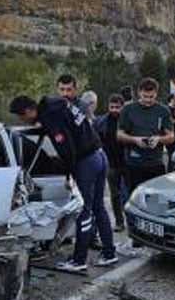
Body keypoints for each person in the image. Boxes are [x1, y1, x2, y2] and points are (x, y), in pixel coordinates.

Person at [9, 93, 116, 272]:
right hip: (99, 155)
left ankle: (79, 260)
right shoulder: (57, 105)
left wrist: (69, 174)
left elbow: (67, 148)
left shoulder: (50, 117)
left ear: (29, 111)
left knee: (83, 209)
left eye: (21, 116)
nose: (22, 120)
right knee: (98, 207)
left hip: (85, 162)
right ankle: (109, 253)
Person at [117, 77, 174, 193]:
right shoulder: (128, 110)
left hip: (155, 163)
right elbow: (119, 135)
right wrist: (135, 140)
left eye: (151, 97)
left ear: (156, 94)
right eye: (145, 96)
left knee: (158, 200)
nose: (148, 100)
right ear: (139, 93)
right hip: (134, 164)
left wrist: (159, 139)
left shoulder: (163, 111)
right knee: (134, 198)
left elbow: (171, 137)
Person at [95, 92, 127, 230]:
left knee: (130, 194)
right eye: (112, 107)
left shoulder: (127, 120)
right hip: (111, 163)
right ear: (108, 106)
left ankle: (132, 222)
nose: (115, 110)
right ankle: (119, 222)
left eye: (118, 107)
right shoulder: (101, 122)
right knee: (115, 194)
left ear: (122, 107)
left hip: (127, 162)